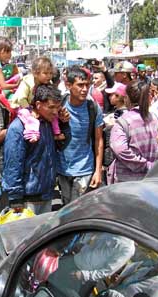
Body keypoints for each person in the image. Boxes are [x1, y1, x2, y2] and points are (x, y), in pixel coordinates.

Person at [3, 85, 66, 215]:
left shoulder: (49, 124)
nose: (55, 112)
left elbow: (60, 146)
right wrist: (15, 198)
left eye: (57, 107)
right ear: (38, 104)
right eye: (51, 107)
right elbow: (13, 163)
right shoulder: (19, 127)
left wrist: (65, 125)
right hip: (27, 199)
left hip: (45, 195)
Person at [57, 66, 104, 205]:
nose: (84, 89)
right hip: (62, 169)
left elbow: (98, 140)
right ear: (68, 85)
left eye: (87, 85)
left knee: (79, 211)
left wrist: (98, 171)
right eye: (80, 85)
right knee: (65, 209)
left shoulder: (93, 108)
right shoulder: (60, 104)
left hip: (85, 169)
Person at [107, 80, 158, 184]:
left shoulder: (123, 121)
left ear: (127, 98)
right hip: (150, 179)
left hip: (127, 182)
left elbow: (120, 150)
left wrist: (144, 165)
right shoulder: (154, 118)